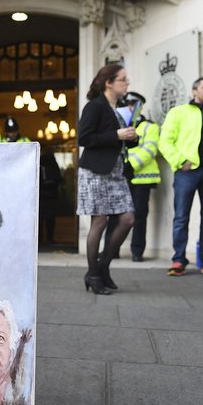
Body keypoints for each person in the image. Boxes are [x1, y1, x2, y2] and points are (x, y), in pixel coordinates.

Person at [158, 76, 203, 277]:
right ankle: (178, 259)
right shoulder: (178, 113)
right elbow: (165, 141)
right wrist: (181, 162)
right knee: (181, 217)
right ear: (194, 91)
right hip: (187, 172)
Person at [76, 64, 137, 294]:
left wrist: (131, 137)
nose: (127, 83)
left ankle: (103, 267)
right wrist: (116, 135)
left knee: (128, 219)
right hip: (95, 172)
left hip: (116, 171)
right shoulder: (95, 106)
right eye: (123, 79)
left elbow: (121, 138)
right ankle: (93, 274)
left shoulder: (121, 107)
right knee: (99, 222)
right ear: (109, 82)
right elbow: (84, 137)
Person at [123, 91, 160, 261]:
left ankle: (137, 252)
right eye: (127, 104)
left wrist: (131, 165)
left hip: (141, 179)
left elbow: (150, 150)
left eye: (133, 104)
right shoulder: (120, 126)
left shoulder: (149, 127)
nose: (130, 107)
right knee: (115, 216)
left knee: (139, 217)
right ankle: (112, 249)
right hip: (122, 177)